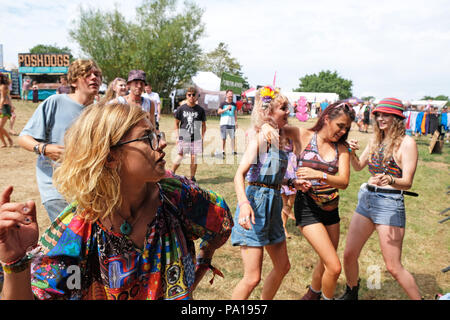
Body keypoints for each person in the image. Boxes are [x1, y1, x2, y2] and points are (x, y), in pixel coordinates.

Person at [0, 102, 232, 300]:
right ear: (110, 156)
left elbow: (221, 222)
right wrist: (15, 262)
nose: (161, 144)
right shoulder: (78, 229)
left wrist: (202, 261)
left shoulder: (177, 195)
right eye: (147, 138)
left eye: (157, 134)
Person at [230, 86, 310, 300]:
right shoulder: (261, 137)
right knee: (252, 277)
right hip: (255, 205)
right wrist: (244, 204)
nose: (289, 111)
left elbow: (271, 175)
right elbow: (240, 175)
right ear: (269, 111)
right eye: (283, 108)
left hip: (274, 204)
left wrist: (292, 181)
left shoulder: (280, 137)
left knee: (283, 266)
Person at [340, 98, 421, 300]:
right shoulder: (376, 139)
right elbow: (359, 166)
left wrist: (391, 179)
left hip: (389, 204)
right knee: (349, 254)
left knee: (393, 267)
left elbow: (408, 182)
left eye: (386, 115)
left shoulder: (407, 143)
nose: (381, 118)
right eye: (378, 115)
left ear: (397, 118)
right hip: (366, 199)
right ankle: (351, 293)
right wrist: (350, 152)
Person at [18, 59, 102, 222]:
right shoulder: (55, 102)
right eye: (87, 74)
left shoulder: (100, 112)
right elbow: (23, 138)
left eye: (97, 75)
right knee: (70, 238)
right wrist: (44, 149)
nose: (94, 78)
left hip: (90, 190)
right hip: (57, 189)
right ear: (73, 81)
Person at [294, 101, 354, 300]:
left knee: (326, 259)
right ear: (327, 119)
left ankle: (313, 293)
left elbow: (344, 182)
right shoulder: (304, 136)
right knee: (334, 267)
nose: (343, 131)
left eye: (347, 128)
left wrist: (318, 174)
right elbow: (276, 126)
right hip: (307, 207)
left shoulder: (342, 148)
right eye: (340, 125)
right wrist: (268, 127)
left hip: (331, 210)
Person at [171, 87, 206, 182]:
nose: (191, 97)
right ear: (186, 96)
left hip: (196, 137)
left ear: (196, 96)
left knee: (194, 157)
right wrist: (177, 137)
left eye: (193, 95)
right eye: (189, 95)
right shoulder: (181, 109)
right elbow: (176, 123)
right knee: (180, 155)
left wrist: (202, 138)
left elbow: (203, 125)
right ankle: (172, 173)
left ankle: (192, 177)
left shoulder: (200, 110)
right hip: (184, 136)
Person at [280, 138, 297, 238]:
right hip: (281, 165)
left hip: (291, 165)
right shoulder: (277, 137)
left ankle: (287, 210)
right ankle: (283, 227)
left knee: (292, 197)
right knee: (284, 200)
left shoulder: (291, 139)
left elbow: (295, 151)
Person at [218, 89, 238, 157]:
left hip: (232, 123)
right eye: (229, 94)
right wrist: (226, 109)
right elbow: (219, 112)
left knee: (233, 138)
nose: (231, 96)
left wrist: (236, 122)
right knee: (224, 138)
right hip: (224, 123)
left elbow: (235, 113)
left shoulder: (234, 104)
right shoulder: (223, 103)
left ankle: (233, 151)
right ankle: (223, 151)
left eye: (232, 94)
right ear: (226, 95)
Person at [0, 73, 14, 147]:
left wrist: (0, 108)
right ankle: (4, 143)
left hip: (4, 107)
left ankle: (9, 138)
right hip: (3, 106)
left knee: (0, 127)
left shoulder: (3, 86)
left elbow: (3, 98)